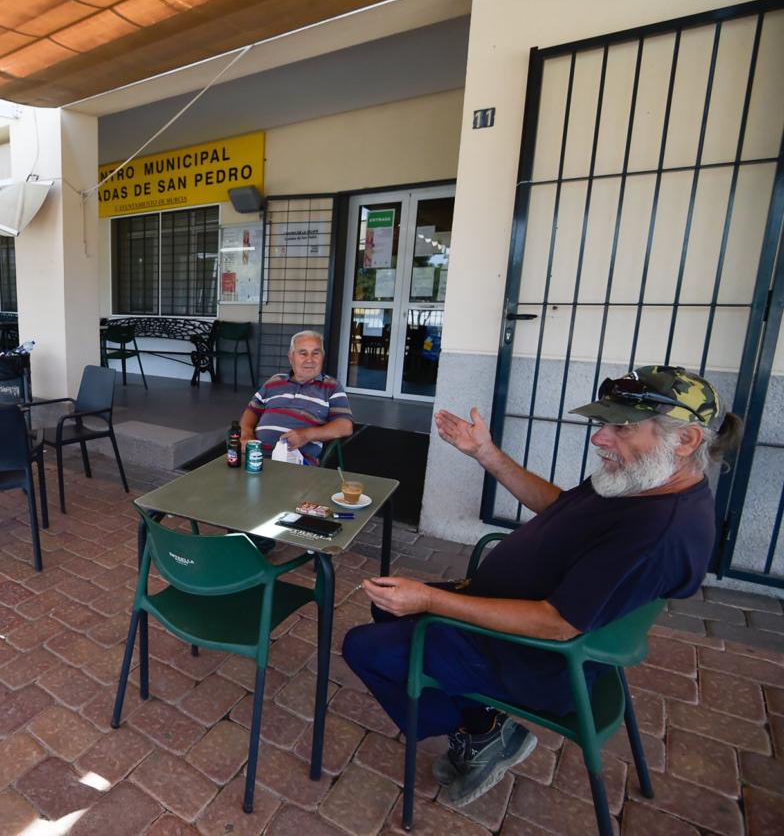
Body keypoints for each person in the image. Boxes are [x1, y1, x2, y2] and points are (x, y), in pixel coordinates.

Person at [341, 365, 742, 808]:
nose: (600, 439)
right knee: (387, 608)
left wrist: (432, 598)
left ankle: (479, 735)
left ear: (685, 440)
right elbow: (559, 508)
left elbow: (558, 625)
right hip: (513, 617)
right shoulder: (642, 481)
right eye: (604, 424)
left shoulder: (659, 532)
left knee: (364, 647)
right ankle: (484, 726)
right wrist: (487, 454)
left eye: (623, 428)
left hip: (537, 658)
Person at [239, 330, 353, 465]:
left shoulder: (331, 387)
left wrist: (307, 435)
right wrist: (246, 434)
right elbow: (252, 410)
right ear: (291, 357)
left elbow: (345, 426)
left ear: (322, 356)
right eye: (303, 353)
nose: (309, 359)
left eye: (315, 353)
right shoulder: (274, 381)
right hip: (256, 456)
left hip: (296, 463)